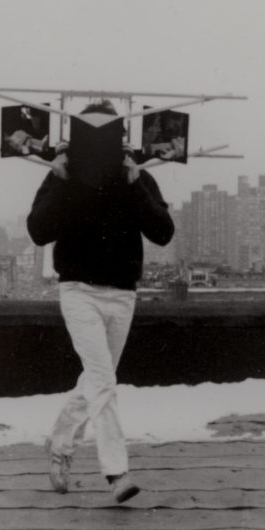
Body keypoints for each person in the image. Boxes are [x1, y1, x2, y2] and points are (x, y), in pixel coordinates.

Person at [26, 99, 175, 503]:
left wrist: (136, 184)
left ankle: (60, 445)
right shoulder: (63, 173)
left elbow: (163, 232)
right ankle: (116, 472)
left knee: (96, 380)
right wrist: (59, 181)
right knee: (104, 382)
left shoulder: (136, 176)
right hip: (78, 291)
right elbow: (38, 231)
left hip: (122, 293)